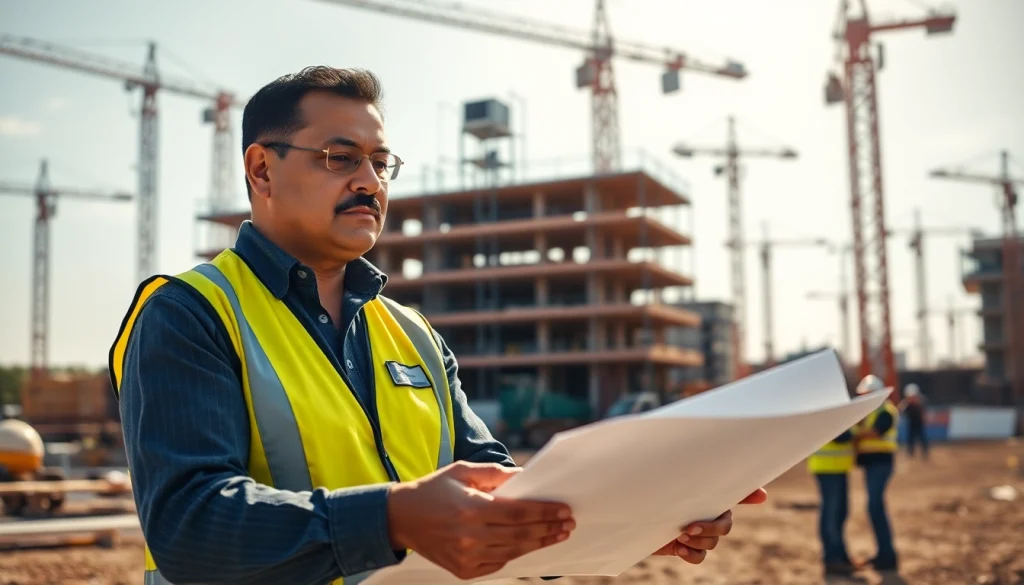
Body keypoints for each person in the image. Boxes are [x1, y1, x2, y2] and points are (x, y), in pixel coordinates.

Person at [109, 66, 766, 585]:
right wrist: (393, 517)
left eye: (379, 161)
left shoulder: (413, 334)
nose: (369, 181)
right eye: (341, 157)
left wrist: (641, 514)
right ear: (261, 169)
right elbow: (189, 526)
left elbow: (497, 494)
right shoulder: (190, 313)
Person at [852, 375, 901, 571]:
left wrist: (853, 436)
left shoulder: (885, 412)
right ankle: (883, 553)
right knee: (874, 507)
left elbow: (875, 432)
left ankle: (887, 556)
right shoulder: (869, 412)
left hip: (881, 463)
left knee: (875, 506)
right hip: (870, 464)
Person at [807, 427, 858, 576]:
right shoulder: (829, 408)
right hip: (827, 467)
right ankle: (832, 559)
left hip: (838, 467)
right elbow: (841, 435)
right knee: (831, 515)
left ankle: (842, 557)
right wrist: (859, 434)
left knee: (840, 514)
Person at [899, 383, 928, 459]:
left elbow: (923, 411)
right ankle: (910, 453)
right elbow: (901, 410)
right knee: (910, 438)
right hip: (911, 423)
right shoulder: (906, 403)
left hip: (919, 423)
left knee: (922, 438)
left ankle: (925, 453)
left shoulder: (921, 401)